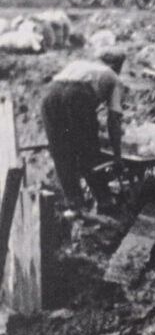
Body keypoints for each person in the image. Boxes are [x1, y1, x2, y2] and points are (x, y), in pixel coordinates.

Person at [41, 48, 126, 213]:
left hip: (49, 96)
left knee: (60, 152)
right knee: (88, 151)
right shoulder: (114, 79)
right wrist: (117, 156)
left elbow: (64, 96)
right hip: (78, 96)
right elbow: (113, 120)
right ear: (118, 67)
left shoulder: (80, 65)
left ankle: (74, 204)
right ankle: (105, 201)